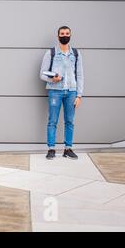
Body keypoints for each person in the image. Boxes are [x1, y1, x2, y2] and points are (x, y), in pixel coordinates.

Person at [40, 26, 84, 160]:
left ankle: (68, 149)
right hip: (55, 92)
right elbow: (42, 74)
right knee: (52, 121)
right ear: (58, 36)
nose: (64, 35)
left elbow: (80, 75)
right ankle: (51, 149)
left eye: (67, 33)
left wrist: (79, 95)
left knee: (69, 121)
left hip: (71, 92)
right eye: (62, 34)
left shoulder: (76, 54)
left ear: (70, 35)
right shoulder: (51, 53)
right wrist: (52, 79)